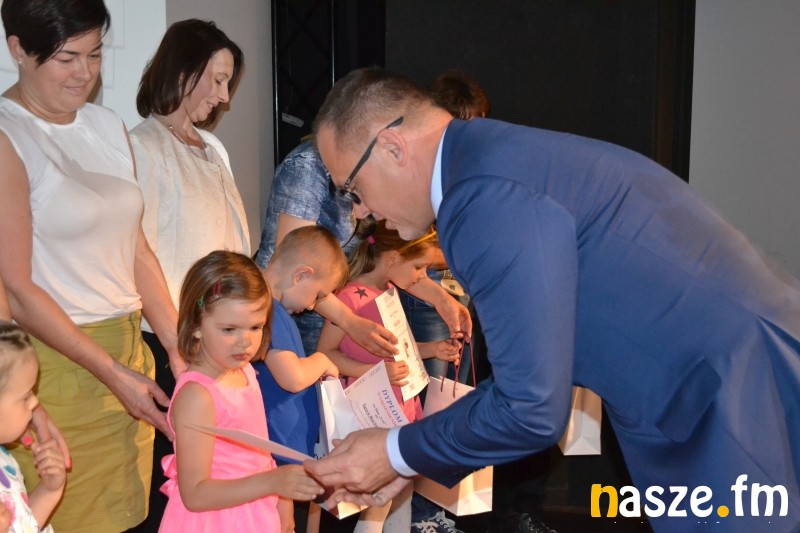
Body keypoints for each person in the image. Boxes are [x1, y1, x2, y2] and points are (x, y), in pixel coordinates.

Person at [305, 67, 800, 532]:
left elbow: (530, 407)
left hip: (730, 399)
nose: (359, 212)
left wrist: (394, 452)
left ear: (392, 147)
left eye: (352, 188)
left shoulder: (482, 196)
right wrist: (407, 459)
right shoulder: (489, 161)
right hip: (721, 380)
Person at [0, 1, 179, 531]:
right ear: (18, 50)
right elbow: (16, 287)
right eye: (66, 58)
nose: (85, 73)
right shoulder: (8, 134)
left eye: (95, 54)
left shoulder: (107, 125)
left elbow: (136, 250)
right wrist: (111, 373)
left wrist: (178, 348)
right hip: (56, 365)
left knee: (131, 515)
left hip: (129, 353)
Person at [129, 19, 249, 531]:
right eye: (217, 80)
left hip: (215, 343)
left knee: (220, 476)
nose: (224, 97)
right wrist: (178, 351)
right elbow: (139, 257)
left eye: (227, 83)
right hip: (170, 344)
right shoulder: (142, 147)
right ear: (182, 70)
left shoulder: (213, 149)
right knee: (176, 481)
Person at [254, 140, 471, 360]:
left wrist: (441, 299)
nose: (361, 213)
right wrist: (349, 322)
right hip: (295, 315)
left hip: (330, 316)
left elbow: (391, 254)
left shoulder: (373, 172)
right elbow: (295, 265)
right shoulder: (308, 168)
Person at [160, 250, 323, 531]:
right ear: (196, 325)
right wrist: (273, 483)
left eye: (256, 327)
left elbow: (259, 450)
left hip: (254, 512)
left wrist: (281, 499)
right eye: (229, 329)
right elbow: (195, 494)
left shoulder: (245, 371)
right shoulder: (198, 396)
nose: (245, 341)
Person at [317, 221, 460, 533]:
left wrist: (433, 349)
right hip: (372, 412)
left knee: (401, 492)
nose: (422, 277)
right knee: (377, 502)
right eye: (419, 267)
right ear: (393, 258)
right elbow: (325, 354)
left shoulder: (389, 292)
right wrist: (376, 373)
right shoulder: (349, 299)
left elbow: (399, 349)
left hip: (400, 409)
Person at [254, 225, 346, 532]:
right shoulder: (270, 310)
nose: (311, 306)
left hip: (279, 447)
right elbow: (291, 377)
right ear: (301, 275)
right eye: (317, 295)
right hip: (275, 447)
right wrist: (322, 360)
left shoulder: (272, 310)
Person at [0, 322, 67, 533]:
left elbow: (24, 525)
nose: (35, 403)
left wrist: (49, 491)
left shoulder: (4, 458)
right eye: (26, 396)